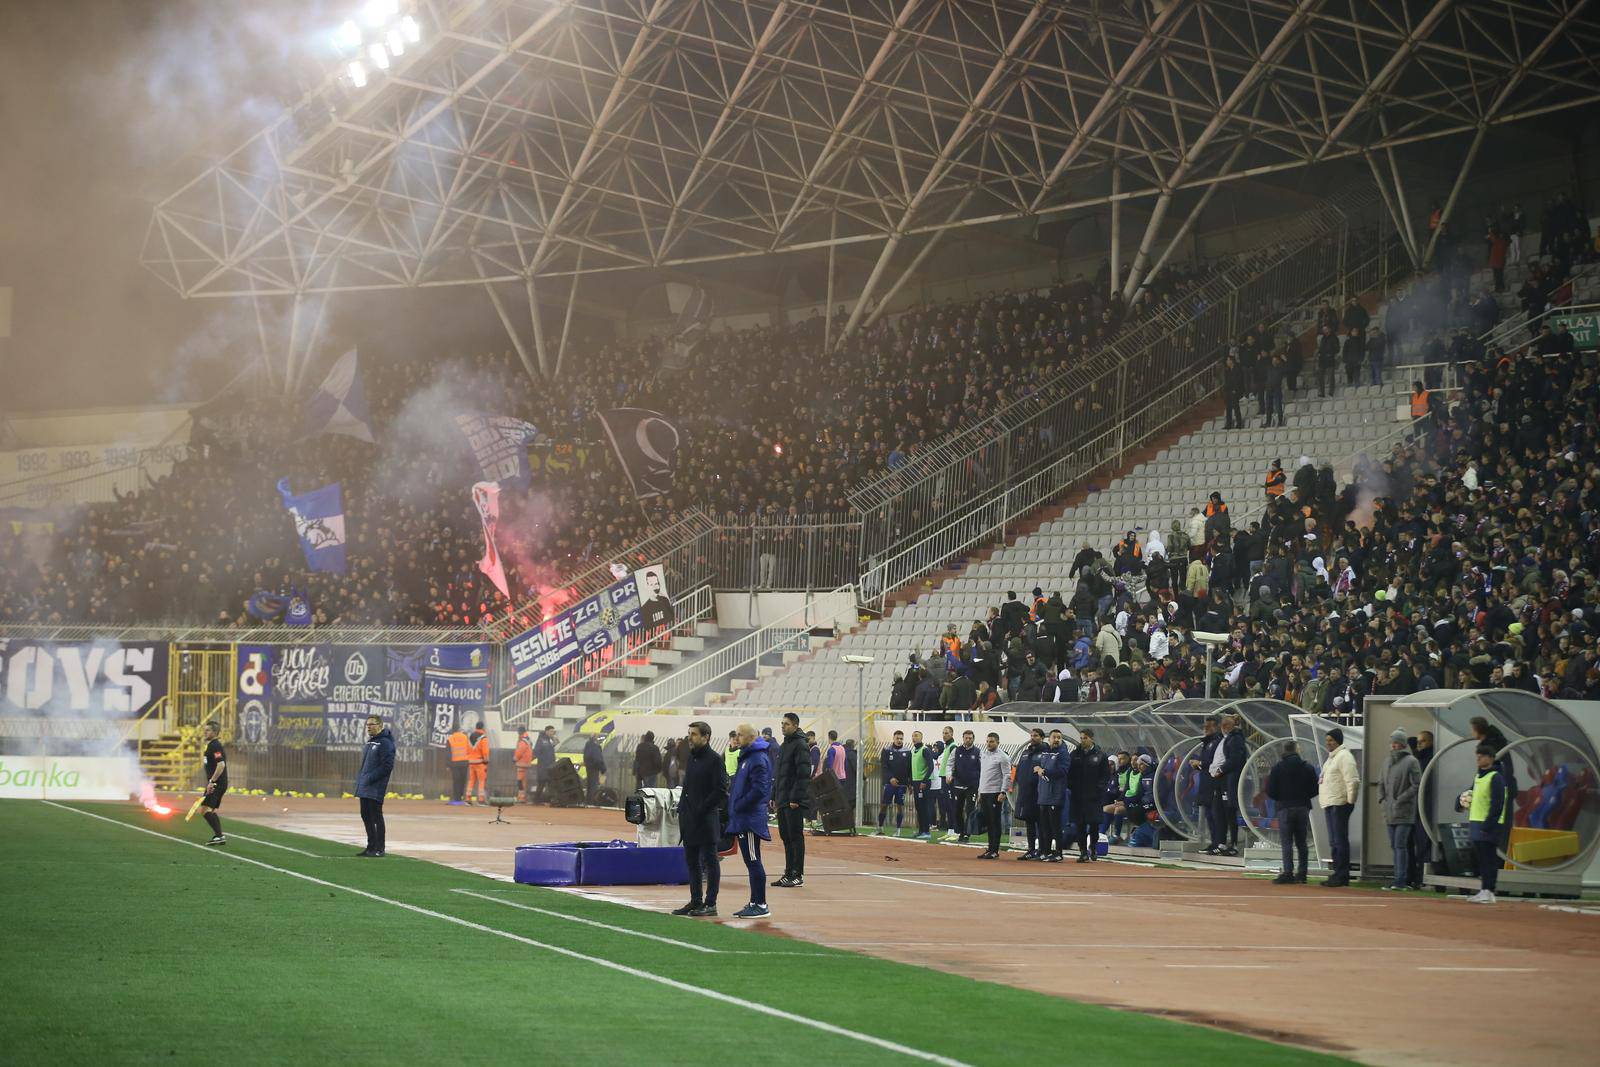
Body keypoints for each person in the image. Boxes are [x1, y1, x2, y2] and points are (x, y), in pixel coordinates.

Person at [672, 721, 728, 917]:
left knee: (710, 862)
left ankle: (710, 903)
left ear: (706, 737)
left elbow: (721, 789)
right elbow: (687, 786)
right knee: (692, 862)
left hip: (705, 820)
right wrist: (682, 808)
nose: (690, 737)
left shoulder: (714, 760)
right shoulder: (692, 758)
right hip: (689, 819)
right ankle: (695, 901)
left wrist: (701, 809)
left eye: (694, 734)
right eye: (689, 733)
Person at [726, 723, 774, 918]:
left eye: (739, 735)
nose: (736, 738)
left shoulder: (757, 759)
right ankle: (754, 901)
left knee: (754, 861)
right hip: (745, 817)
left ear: (751, 737)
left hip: (750, 819)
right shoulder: (747, 757)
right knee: (750, 861)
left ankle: (760, 904)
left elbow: (760, 790)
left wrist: (739, 805)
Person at [1455, 742, 1510, 904]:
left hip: (1489, 825)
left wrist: (1488, 824)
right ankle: (1484, 889)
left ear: (1491, 759)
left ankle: (1489, 890)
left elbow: (1497, 804)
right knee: (1481, 858)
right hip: (1477, 823)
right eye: (1477, 756)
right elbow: (1471, 794)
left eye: (1482, 756)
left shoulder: (1496, 777)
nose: (1478, 758)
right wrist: (1459, 802)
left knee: (1489, 858)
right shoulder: (1479, 776)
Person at [1265, 740, 1318, 884]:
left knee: (1286, 842)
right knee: (1302, 842)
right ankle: (1302, 874)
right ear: (1297, 750)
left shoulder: (1277, 768)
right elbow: (1315, 789)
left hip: (1285, 807)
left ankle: (1288, 872)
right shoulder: (1307, 768)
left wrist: (1281, 799)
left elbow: (1270, 790)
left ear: (1284, 751)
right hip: (1302, 807)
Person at [771, 712, 811, 888]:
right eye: (782, 723)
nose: (783, 726)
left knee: (795, 837)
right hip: (782, 799)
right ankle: (788, 873)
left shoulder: (801, 745)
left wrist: (795, 798)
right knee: (786, 837)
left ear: (795, 725)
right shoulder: (784, 745)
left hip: (793, 800)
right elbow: (779, 774)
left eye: (786, 724)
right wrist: (774, 796)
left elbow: (803, 775)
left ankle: (797, 874)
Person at [1379, 728, 1421, 891]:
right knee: (1394, 845)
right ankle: (1398, 877)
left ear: (1403, 744)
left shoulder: (1411, 761)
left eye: (1397, 742)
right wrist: (1382, 799)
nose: (1394, 745)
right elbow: (1381, 782)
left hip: (1404, 812)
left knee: (1400, 845)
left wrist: (1400, 799)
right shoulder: (1386, 762)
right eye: (1392, 742)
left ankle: (1401, 879)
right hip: (1389, 811)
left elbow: (1416, 784)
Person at [1318, 727, 1359, 887]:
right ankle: (1337, 873)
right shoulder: (1331, 758)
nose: (1328, 743)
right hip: (1330, 802)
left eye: (1331, 740)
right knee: (1334, 841)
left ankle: (1342, 875)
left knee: (1340, 841)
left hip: (1339, 803)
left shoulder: (1344, 756)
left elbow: (1353, 780)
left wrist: (1350, 801)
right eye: (1327, 740)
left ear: (1338, 741)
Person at [355, 714, 396, 857]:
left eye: (372, 724)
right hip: (365, 786)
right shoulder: (370, 742)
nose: (369, 727)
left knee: (376, 816)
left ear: (380, 726)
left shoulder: (385, 743)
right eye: (367, 725)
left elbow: (387, 766)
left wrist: (371, 778)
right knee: (365, 815)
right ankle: (371, 847)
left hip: (376, 787)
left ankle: (380, 848)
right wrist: (361, 779)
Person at [1068, 728, 1108, 861]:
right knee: (1080, 824)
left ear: (1091, 738)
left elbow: (1105, 775)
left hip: (1094, 796)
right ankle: (1083, 851)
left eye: (1085, 738)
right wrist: (1072, 787)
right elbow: (1070, 773)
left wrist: (1099, 789)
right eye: (1081, 738)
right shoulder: (1075, 754)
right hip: (1078, 796)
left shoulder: (1101, 755)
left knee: (1094, 824)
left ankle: (1093, 846)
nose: (1082, 740)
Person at [1211, 714, 1248, 857]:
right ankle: (1226, 843)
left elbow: (1235, 759)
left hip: (1232, 780)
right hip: (1227, 780)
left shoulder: (1235, 739)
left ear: (1225, 726)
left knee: (1231, 812)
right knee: (1226, 812)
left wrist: (1221, 769)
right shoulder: (1230, 738)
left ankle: (1234, 845)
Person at [1034, 730, 1070, 862]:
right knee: (1044, 826)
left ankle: (1059, 852)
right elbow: (1041, 770)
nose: (1056, 740)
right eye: (1054, 737)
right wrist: (1038, 768)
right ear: (1049, 739)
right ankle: (1045, 851)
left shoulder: (1063, 753)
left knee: (1055, 826)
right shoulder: (1045, 752)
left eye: (1059, 738)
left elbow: (1063, 770)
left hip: (1055, 794)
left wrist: (1044, 771)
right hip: (1043, 794)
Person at [976, 732, 1011, 859]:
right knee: (988, 822)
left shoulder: (1003, 757)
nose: (989, 744)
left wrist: (1003, 792)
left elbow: (1007, 775)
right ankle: (990, 848)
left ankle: (995, 849)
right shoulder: (984, 755)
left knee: (995, 821)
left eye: (991, 742)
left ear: (997, 742)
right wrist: (980, 791)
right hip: (984, 792)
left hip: (995, 792)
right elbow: (983, 775)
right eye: (987, 741)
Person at [1012, 728, 1045, 859]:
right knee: (1029, 821)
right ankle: (1031, 849)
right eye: (1031, 735)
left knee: (1041, 823)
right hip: (1026, 793)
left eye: (1036, 736)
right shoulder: (1025, 752)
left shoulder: (1045, 751)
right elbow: (1020, 769)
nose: (1032, 738)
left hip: (1039, 793)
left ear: (1042, 737)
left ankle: (1042, 849)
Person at [1191, 715, 1222, 852]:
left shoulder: (1218, 742)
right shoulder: (1207, 742)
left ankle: (1219, 843)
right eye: (1205, 726)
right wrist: (1198, 765)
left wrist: (1201, 763)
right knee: (1209, 815)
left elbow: (1218, 762)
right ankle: (1214, 842)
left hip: (1215, 784)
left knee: (1216, 815)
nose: (1205, 729)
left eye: (1209, 726)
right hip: (1206, 783)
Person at [198, 721, 228, 846]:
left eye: (208, 730)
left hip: (217, 783)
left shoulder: (215, 746)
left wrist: (212, 781)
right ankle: (219, 835)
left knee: (205, 809)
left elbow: (221, 765)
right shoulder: (211, 745)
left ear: (215, 732)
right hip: (216, 783)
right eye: (205, 730)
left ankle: (219, 835)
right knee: (209, 810)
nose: (205, 732)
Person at [877, 730, 910, 836]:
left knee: (900, 806)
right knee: (884, 805)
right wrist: (890, 778)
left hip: (902, 784)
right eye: (897, 738)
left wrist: (910, 783)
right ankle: (880, 828)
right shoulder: (886, 750)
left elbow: (909, 768)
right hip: (889, 783)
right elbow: (884, 766)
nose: (899, 740)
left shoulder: (908, 751)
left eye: (901, 738)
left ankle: (898, 830)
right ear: (893, 738)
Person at [950, 730, 981, 842]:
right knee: (957, 810)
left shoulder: (978, 752)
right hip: (958, 785)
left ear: (973, 739)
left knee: (970, 810)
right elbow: (950, 764)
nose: (968, 740)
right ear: (963, 738)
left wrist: (980, 785)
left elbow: (982, 768)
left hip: (972, 786)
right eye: (966, 738)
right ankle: (961, 831)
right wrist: (949, 775)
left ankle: (967, 833)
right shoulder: (956, 750)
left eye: (970, 738)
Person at [446, 724, 471, 805]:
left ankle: (456, 797)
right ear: (459, 729)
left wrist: (448, 765)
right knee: (463, 780)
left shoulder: (450, 739)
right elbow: (469, 749)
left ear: (452, 730)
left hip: (455, 763)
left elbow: (448, 753)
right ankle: (461, 796)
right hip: (464, 762)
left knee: (456, 780)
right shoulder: (465, 737)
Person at [532, 725, 557, 803]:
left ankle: (551, 800)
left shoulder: (549, 740)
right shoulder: (542, 740)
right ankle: (536, 800)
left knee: (550, 783)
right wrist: (542, 760)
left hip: (550, 765)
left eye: (553, 731)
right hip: (543, 766)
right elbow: (536, 751)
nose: (553, 733)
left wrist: (554, 738)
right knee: (541, 783)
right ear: (547, 731)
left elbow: (555, 744)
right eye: (551, 731)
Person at [468, 721, 490, 805]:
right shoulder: (483, 738)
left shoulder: (470, 736)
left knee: (471, 781)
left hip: (471, 762)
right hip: (480, 762)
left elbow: (468, 749)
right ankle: (481, 800)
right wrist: (486, 760)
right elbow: (485, 751)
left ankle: (468, 798)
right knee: (481, 781)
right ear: (483, 727)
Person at [583, 734, 607, 805]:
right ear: (596, 739)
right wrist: (603, 768)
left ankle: (588, 801)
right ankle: (593, 801)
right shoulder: (595, 747)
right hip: (594, 768)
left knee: (589, 785)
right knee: (594, 785)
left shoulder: (587, 746)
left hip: (589, 767)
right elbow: (598, 759)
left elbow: (586, 757)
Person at [514, 730, 533, 802]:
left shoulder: (523, 740)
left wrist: (515, 758)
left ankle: (521, 797)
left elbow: (520, 751)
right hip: (527, 762)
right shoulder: (528, 739)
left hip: (522, 762)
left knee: (519, 781)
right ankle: (523, 797)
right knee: (524, 781)